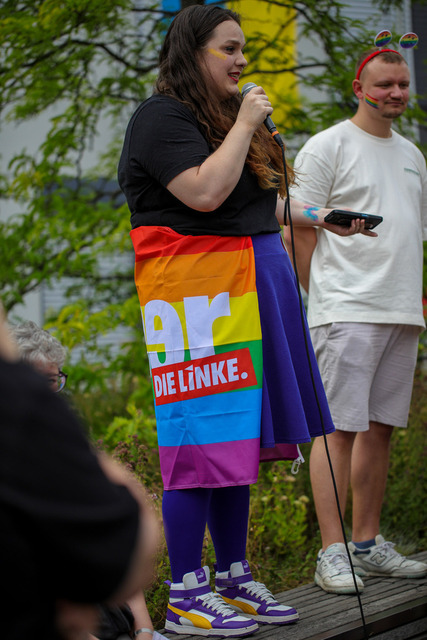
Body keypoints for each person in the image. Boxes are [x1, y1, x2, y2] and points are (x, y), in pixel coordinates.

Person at [118, 5, 372, 636]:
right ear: (191, 53)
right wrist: (248, 122)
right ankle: (185, 594)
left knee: (238, 442)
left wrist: (320, 216)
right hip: (197, 299)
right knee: (199, 439)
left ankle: (232, 575)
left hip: (253, 282)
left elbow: (253, 200)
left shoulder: (224, 118)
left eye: (243, 49)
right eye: (228, 49)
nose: (241, 61)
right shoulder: (162, 118)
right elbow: (204, 193)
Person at [286, 45, 427, 595]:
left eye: (402, 84)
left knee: (380, 429)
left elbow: (410, 237)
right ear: (358, 88)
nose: (395, 93)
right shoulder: (329, 145)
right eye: (384, 84)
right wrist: (321, 293)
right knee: (337, 430)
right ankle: (332, 552)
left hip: (400, 311)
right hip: (346, 310)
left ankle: (367, 546)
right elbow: (293, 222)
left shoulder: (413, 154)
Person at [0, 310, 159, 640]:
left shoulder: (61, 451)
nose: (53, 394)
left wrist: (144, 628)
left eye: (56, 380)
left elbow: (116, 539)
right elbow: (131, 540)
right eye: (44, 383)